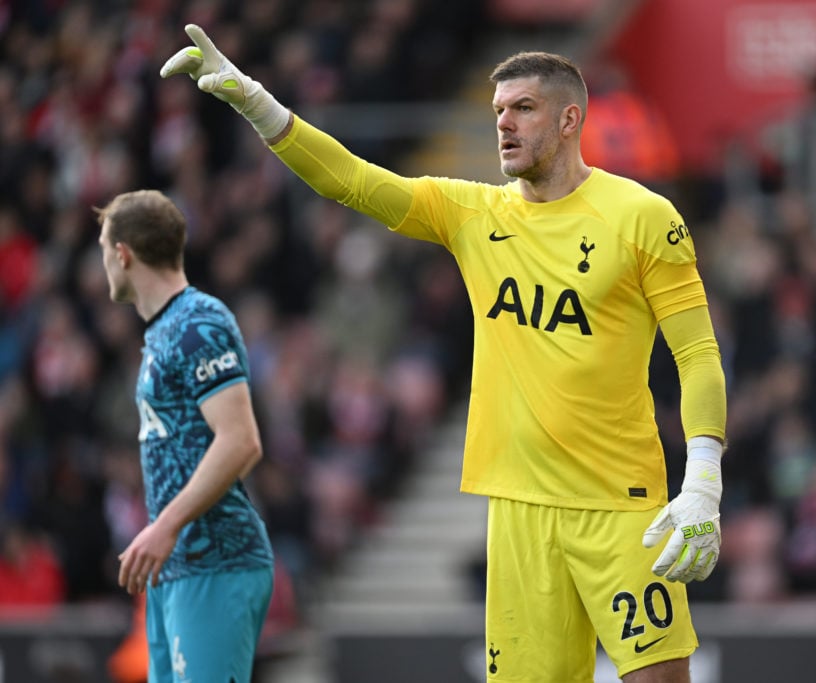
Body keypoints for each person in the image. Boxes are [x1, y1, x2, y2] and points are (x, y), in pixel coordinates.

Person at [163, 24, 727, 682]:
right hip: (517, 510)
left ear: (571, 118)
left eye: (523, 108)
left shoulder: (643, 216)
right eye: (497, 111)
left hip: (619, 503)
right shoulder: (473, 213)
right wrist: (259, 103)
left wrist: (703, 483)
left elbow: (698, 353)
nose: (504, 124)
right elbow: (353, 181)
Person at [95, 188, 275, 682]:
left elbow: (242, 442)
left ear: (122, 253)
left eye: (103, 252)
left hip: (216, 560)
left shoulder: (199, 322)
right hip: (178, 566)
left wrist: (165, 526)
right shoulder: (164, 330)